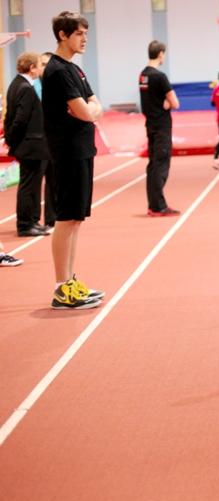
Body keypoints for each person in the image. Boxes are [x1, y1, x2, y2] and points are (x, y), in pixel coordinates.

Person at [43, 11, 105, 310]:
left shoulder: (75, 69)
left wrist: (90, 109)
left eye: (86, 34)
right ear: (63, 35)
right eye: (78, 34)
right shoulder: (57, 70)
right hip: (67, 152)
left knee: (76, 219)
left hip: (82, 150)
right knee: (66, 219)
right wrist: (89, 110)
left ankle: (70, 281)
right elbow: (85, 111)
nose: (84, 39)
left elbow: (94, 105)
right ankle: (60, 287)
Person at [4, 52, 51, 237]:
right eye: (40, 65)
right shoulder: (25, 88)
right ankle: (25, 224)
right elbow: (20, 120)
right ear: (31, 67)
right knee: (29, 186)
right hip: (31, 145)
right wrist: (12, 141)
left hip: (30, 144)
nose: (41, 68)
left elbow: (12, 117)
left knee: (32, 185)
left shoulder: (16, 84)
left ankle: (32, 220)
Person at [139, 40, 180, 217]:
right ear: (161, 54)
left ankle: (153, 204)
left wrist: (163, 102)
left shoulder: (143, 76)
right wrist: (165, 103)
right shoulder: (160, 76)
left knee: (153, 164)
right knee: (160, 165)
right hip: (162, 126)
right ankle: (158, 206)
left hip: (150, 124)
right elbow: (175, 103)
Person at [35, 51, 56, 230]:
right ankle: (31, 221)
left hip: (54, 140)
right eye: (40, 64)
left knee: (54, 180)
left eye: (46, 64)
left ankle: (52, 217)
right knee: (36, 181)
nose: (43, 67)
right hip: (38, 141)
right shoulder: (34, 86)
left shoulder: (56, 84)